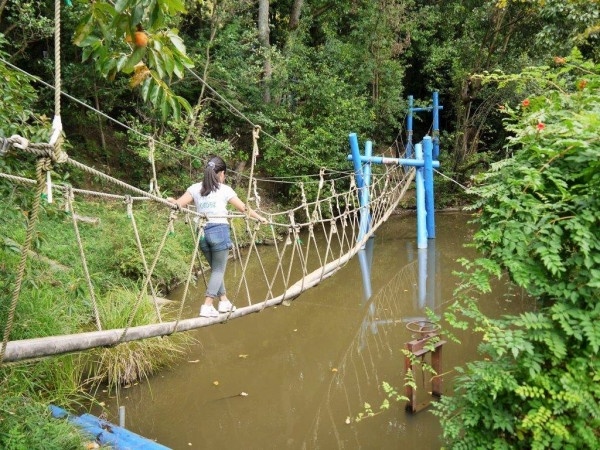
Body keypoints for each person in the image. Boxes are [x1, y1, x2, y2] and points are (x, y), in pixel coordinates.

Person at [168, 156, 267, 318]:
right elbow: (244, 209)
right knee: (219, 270)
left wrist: (172, 201)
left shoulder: (195, 188)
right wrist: (260, 217)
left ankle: (224, 301)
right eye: (224, 174)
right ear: (221, 173)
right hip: (219, 231)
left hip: (202, 234)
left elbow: (178, 204)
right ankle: (207, 305)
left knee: (216, 270)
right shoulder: (224, 189)